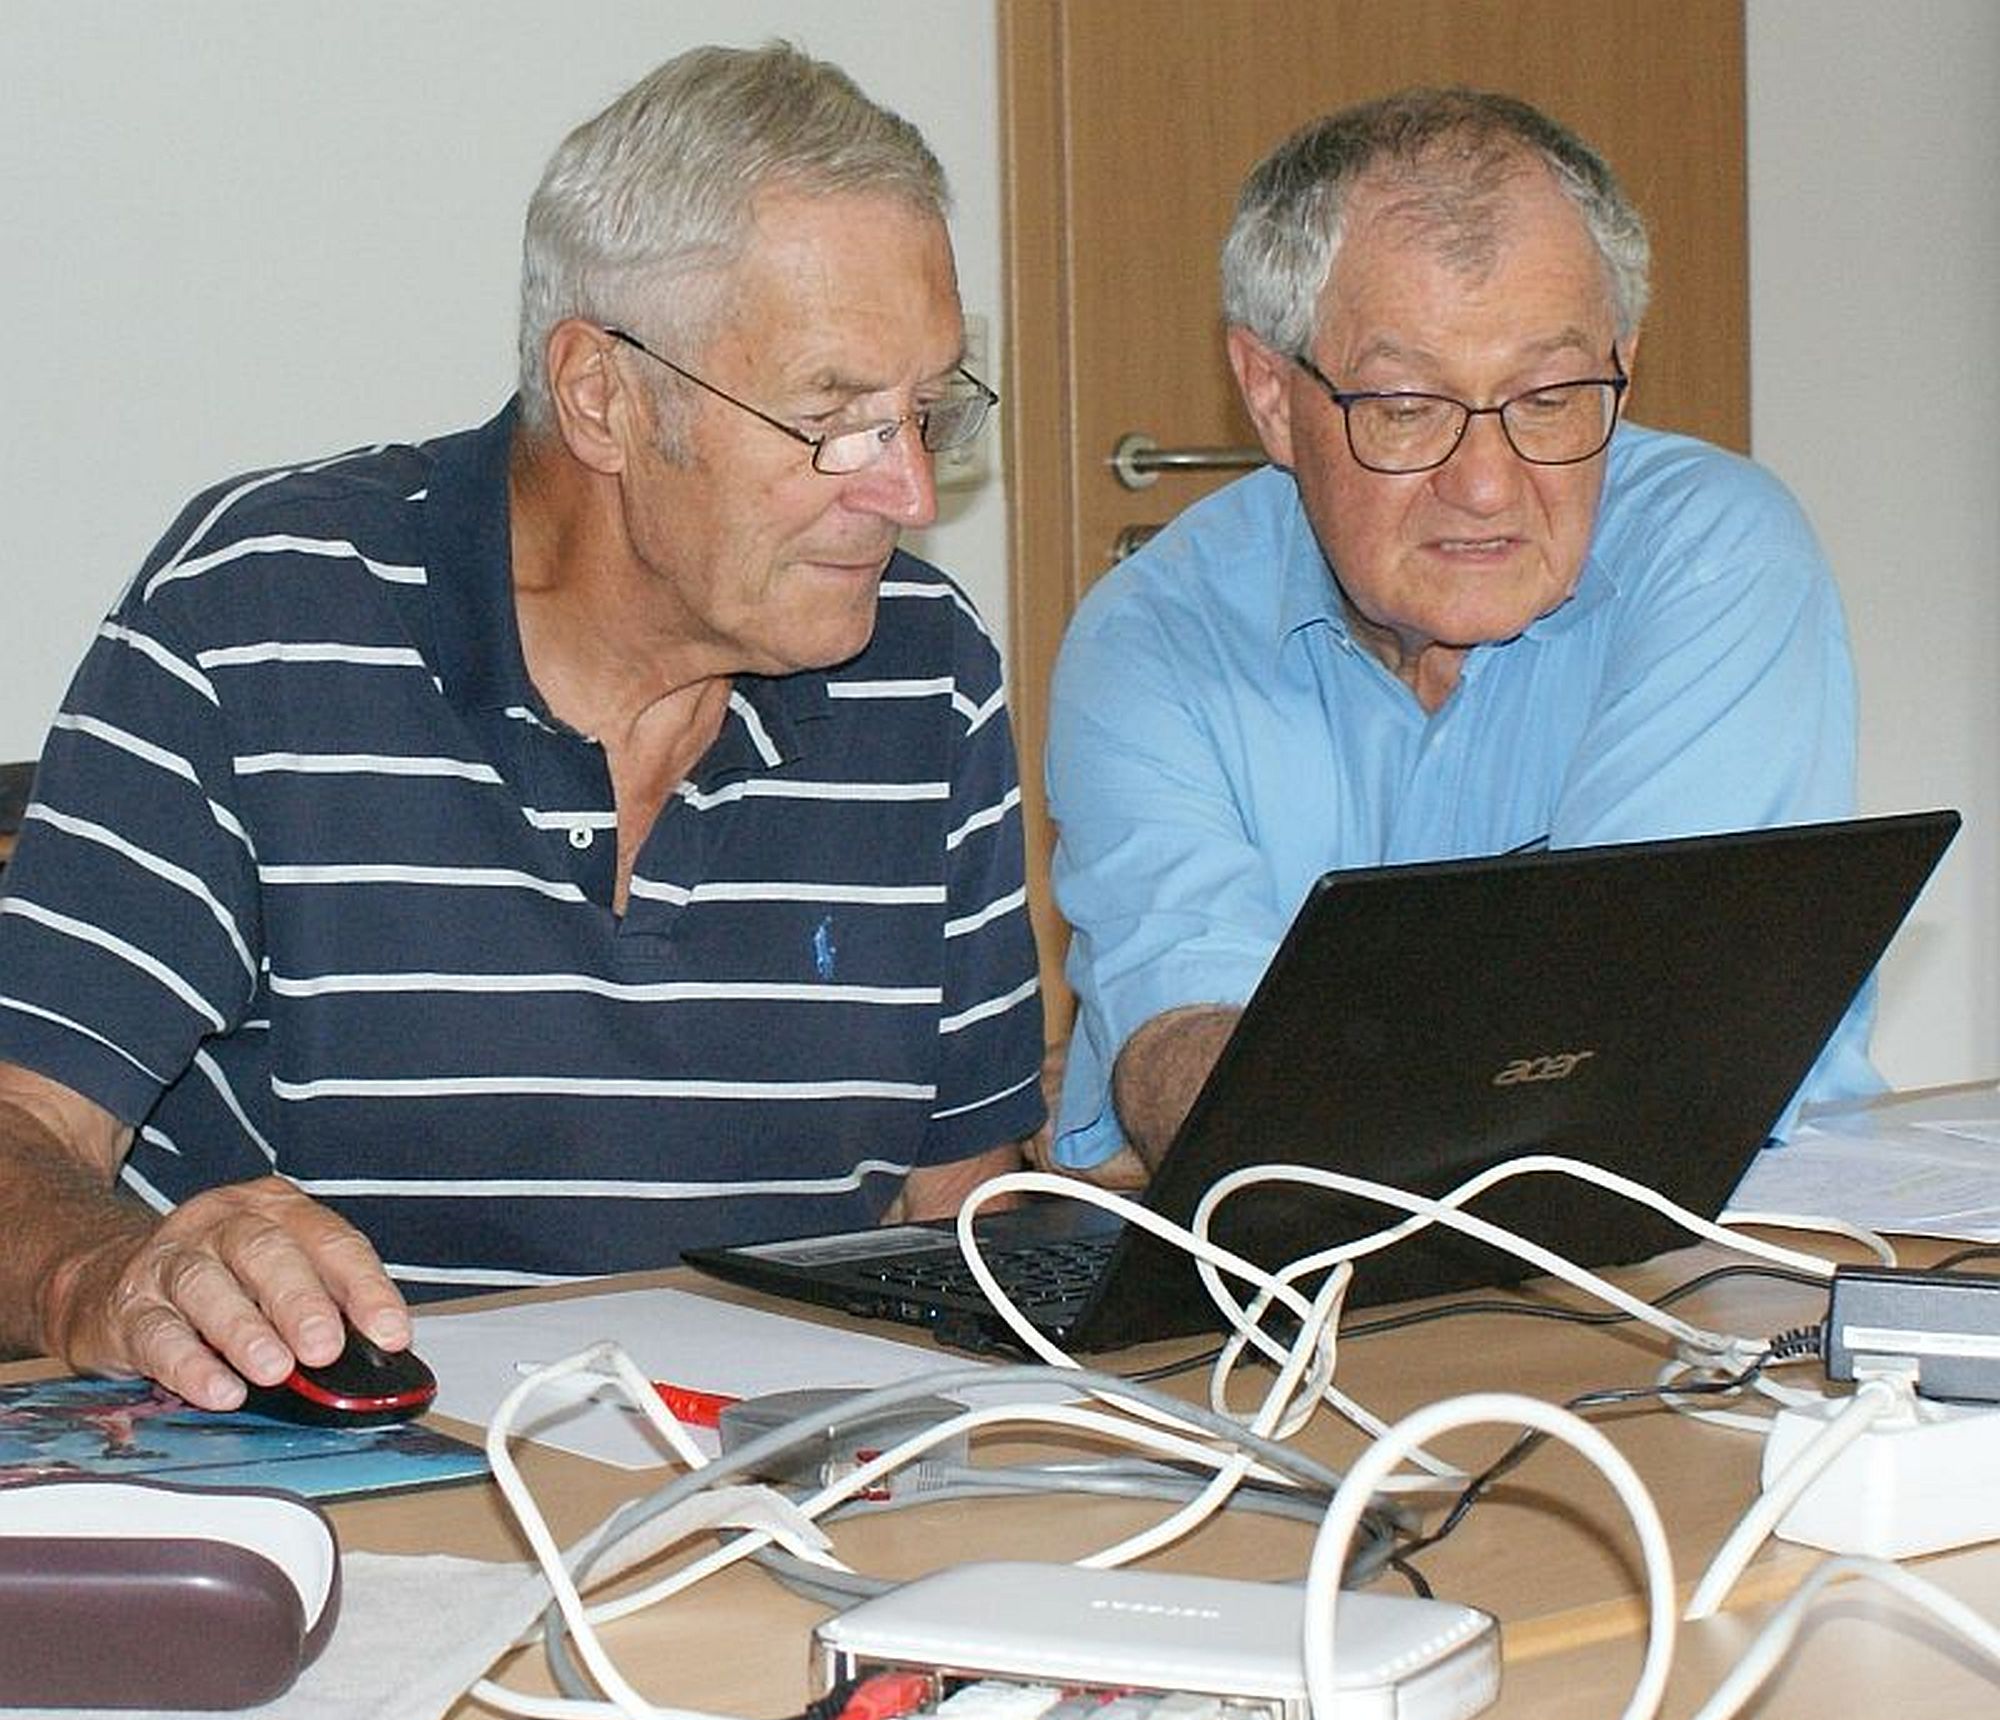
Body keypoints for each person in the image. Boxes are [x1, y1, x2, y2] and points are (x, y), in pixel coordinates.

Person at [0, 43, 1043, 1408]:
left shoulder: (927, 669)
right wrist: (106, 1273)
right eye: (832, 420)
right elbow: (21, 1122)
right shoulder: (263, 615)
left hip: (752, 1480)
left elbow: (960, 1207)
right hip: (338, 1469)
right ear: (604, 394)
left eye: (926, 411)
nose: (906, 491)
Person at [1044, 87, 1870, 1182]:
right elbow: (1180, 1049)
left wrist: (1291, 1091)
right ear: (1270, 394)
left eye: (1550, 397)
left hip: (1706, 1237)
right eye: (1405, 408)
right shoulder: (1150, 638)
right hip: (1308, 1263)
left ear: (1621, 368)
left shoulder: (1713, 556)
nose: (1485, 484)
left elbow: (1623, 1061)